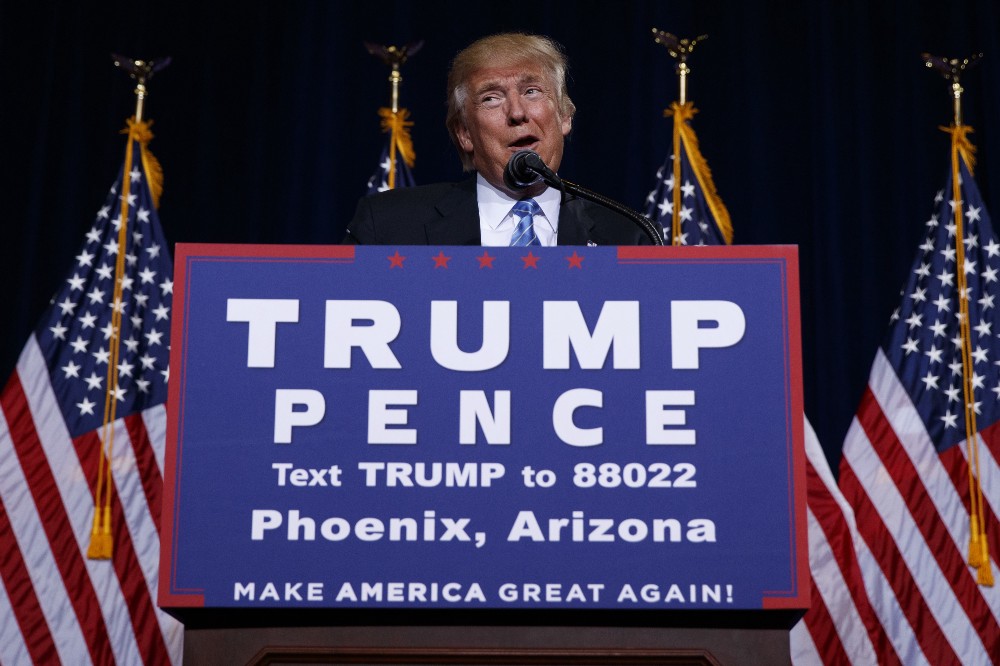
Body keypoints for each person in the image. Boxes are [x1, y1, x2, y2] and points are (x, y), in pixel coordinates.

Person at [343, 32, 653, 246]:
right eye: (491, 98)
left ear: (564, 116)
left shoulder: (627, 236)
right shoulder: (389, 227)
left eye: (532, 91)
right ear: (464, 133)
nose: (517, 112)